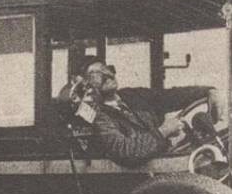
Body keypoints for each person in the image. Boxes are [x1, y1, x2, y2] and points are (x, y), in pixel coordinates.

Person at [74, 58, 220, 167]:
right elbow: (124, 151)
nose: (109, 74)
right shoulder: (96, 115)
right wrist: (163, 132)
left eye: (108, 69)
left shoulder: (133, 95)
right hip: (136, 181)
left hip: (162, 167)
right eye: (97, 74)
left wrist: (207, 91)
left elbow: (170, 96)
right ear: (86, 85)